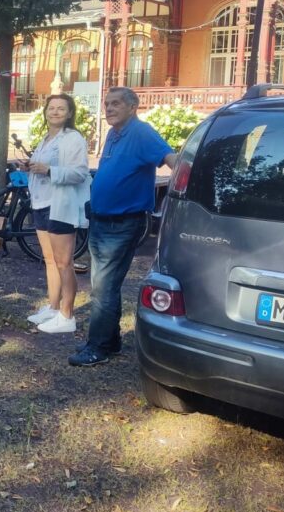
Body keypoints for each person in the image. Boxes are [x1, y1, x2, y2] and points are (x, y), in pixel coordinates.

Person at [68, 87, 177, 367]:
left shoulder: (141, 132)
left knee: (103, 287)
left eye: (116, 103)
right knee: (104, 284)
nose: (109, 108)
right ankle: (111, 340)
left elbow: (172, 160)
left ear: (133, 106)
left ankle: (98, 347)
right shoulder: (114, 134)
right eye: (106, 104)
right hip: (102, 220)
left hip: (123, 222)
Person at [24, 94, 91, 334]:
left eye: (61, 108)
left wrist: (49, 169)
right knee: (50, 260)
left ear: (70, 113)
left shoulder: (73, 139)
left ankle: (67, 314)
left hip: (60, 205)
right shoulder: (46, 139)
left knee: (64, 262)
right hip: (41, 203)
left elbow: (79, 173)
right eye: (51, 108)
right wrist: (31, 167)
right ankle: (53, 307)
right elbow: (41, 169)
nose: (55, 112)